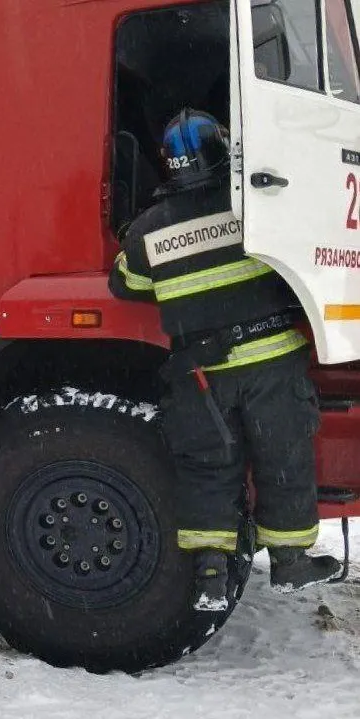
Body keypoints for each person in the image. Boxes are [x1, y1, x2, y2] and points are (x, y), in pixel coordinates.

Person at [109, 109, 342, 611]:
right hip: (271, 364)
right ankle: (289, 561)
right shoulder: (254, 208)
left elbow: (125, 283)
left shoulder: (147, 231)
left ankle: (212, 574)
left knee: (209, 470)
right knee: (282, 458)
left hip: (201, 374)